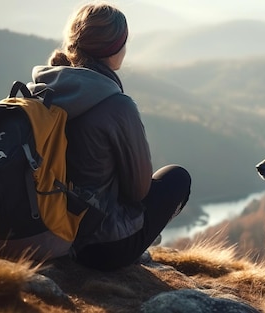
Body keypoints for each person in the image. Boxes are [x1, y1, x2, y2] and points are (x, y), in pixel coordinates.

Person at [26, 2, 191, 271]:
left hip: (41, 230)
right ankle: (140, 243)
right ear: (114, 49)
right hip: (99, 248)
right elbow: (139, 191)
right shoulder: (117, 106)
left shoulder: (40, 90)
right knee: (177, 178)